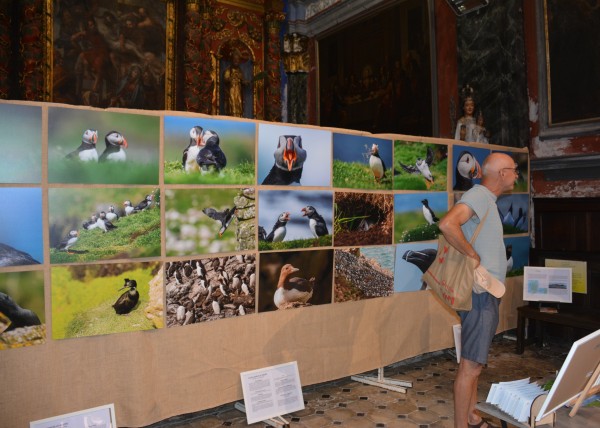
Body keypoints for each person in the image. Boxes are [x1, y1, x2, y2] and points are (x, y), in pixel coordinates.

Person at [438, 153, 519, 428]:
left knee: (474, 364)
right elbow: (448, 224)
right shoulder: (480, 196)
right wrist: (472, 253)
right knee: (471, 366)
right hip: (480, 295)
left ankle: (472, 417)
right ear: (502, 174)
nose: (517, 175)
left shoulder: (486, 199)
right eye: (514, 170)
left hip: (484, 293)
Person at [223, 49, 247, 117]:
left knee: (239, 102)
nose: (236, 61)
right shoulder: (228, 70)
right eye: (235, 59)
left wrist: (245, 82)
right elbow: (225, 79)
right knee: (232, 102)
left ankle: (239, 115)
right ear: (232, 60)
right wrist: (231, 78)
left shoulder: (240, 71)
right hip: (231, 89)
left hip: (238, 89)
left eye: (238, 60)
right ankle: (232, 115)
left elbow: (242, 80)